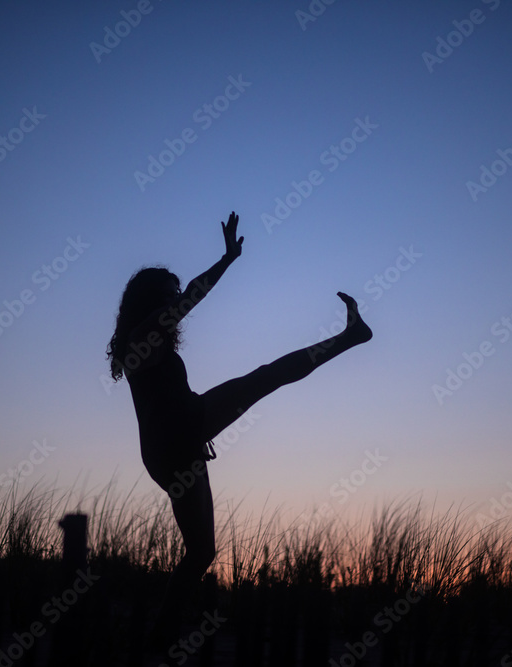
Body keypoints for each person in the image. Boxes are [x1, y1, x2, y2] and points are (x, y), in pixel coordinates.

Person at [106, 211, 372, 650]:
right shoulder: (144, 332)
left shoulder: (143, 336)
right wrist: (228, 259)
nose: (175, 305)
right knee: (267, 377)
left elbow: (184, 301)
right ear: (152, 300)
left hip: (174, 440)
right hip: (177, 434)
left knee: (201, 552)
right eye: (167, 296)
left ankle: (159, 638)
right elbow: (191, 296)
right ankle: (349, 338)